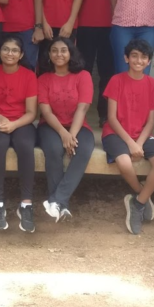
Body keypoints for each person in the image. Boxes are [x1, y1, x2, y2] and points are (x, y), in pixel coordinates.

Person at [102, 39, 154, 235]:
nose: (139, 60)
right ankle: (142, 193)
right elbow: (111, 118)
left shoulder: (152, 84)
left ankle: (137, 204)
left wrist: (138, 143)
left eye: (143, 57)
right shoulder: (116, 80)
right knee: (124, 162)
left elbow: (151, 121)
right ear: (126, 58)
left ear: (149, 61)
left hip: (143, 134)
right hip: (116, 133)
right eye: (134, 56)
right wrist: (130, 143)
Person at [0, 34, 39, 233]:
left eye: (15, 50)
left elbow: (32, 112)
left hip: (22, 121)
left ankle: (26, 203)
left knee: (25, 145)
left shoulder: (28, 75)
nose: (10, 53)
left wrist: (14, 124)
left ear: (21, 54)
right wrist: (0, 119)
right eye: (6, 49)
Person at [37, 37, 94, 222]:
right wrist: (63, 133)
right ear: (49, 54)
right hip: (51, 126)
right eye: (54, 50)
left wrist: (72, 136)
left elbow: (83, 107)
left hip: (78, 126)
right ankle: (61, 205)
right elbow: (45, 111)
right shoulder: (44, 78)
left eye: (63, 50)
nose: (59, 54)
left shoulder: (83, 75)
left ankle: (57, 200)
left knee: (83, 149)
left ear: (71, 53)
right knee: (53, 150)